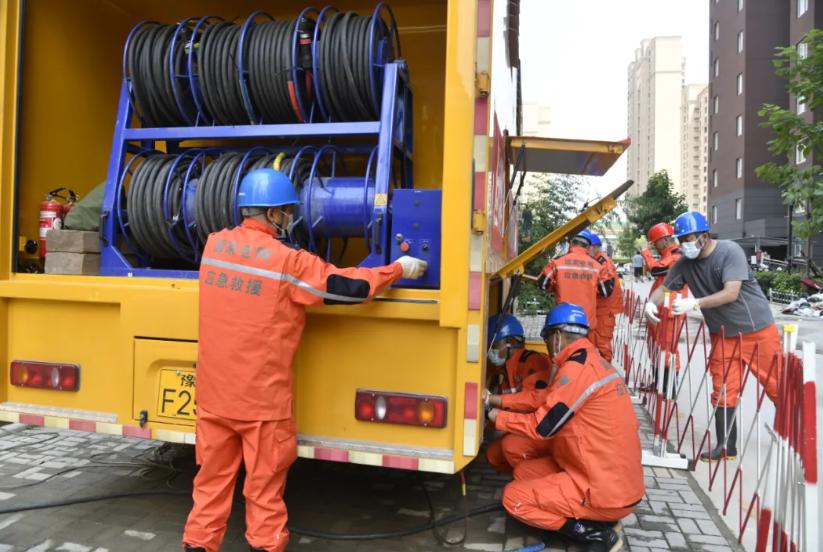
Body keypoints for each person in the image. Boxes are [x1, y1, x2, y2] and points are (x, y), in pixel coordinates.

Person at [182, 169, 428, 552]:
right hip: (262, 404)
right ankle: (265, 545)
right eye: (287, 212)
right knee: (263, 487)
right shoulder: (287, 263)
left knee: (210, 481)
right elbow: (349, 288)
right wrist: (398, 269)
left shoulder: (214, 246)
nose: (290, 219)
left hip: (214, 399)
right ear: (274, 213)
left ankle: (198, 544)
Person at [488, 303, 643, 551]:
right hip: (604, 474)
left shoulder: (576, 370)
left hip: (604, 487)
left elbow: (542, 427)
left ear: (557, 337)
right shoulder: (591, 361)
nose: (548, 345)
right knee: (524, 472)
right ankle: (595, 517)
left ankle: (595, 534)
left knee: (514, 497)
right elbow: (544, 400)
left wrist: (496, 416)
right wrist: (498, 404)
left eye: (547, 338)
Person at [644, 211, 782, 462]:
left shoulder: (729, 252)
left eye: (689, 237)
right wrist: (650, 304)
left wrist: (694, 303)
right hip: (722, 335)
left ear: (704, 236)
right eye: (681, 238)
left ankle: (793, 437)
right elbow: (664, 288)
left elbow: (731, 292)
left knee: (776, 384)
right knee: (722, 388)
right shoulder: (684, 264)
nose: (684, 243)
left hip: (756, 331)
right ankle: (726, 446)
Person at [484, 314, 551, 473]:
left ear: (511, 343)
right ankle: (523, 476)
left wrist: (492, 399)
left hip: (545, 431)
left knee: (511, 445)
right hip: (528, 429)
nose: (490, 351)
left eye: (494, 345)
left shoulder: (534, 362)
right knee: (493, 455)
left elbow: (533, 400)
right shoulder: (507, 371)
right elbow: (505, 411)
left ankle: (534, 483)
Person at [536, 231, 614, 336]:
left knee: (563, 352)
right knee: (584, 351)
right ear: (588, 246)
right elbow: (605, 291)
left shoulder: (557, 262)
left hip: (562, 321)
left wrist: (557, 285)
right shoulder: (597, 266)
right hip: (586, 323)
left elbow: (543, 284)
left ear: (571, 243)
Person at [587, 232, 623, 361]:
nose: (585, 250)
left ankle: (606, 376)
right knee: (594, 344)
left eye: (587, 247)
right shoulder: (595, 261)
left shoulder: (603, 263)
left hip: (604, 311)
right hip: (599, 310)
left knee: (603, 346)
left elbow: (606, 291)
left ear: (595, 248)